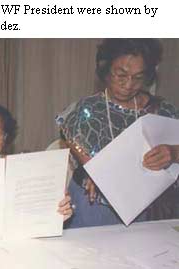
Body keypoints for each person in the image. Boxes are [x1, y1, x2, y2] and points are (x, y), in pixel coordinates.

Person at [56, 39, 179, 228]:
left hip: (145, 207)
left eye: (138, 77)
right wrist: (95, 170)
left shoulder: (164, 111)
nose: (128, 84)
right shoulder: (88, 108)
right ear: (106, 69)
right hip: (93, 206)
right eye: (121, 75)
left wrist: (173, 152)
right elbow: (70, 136)